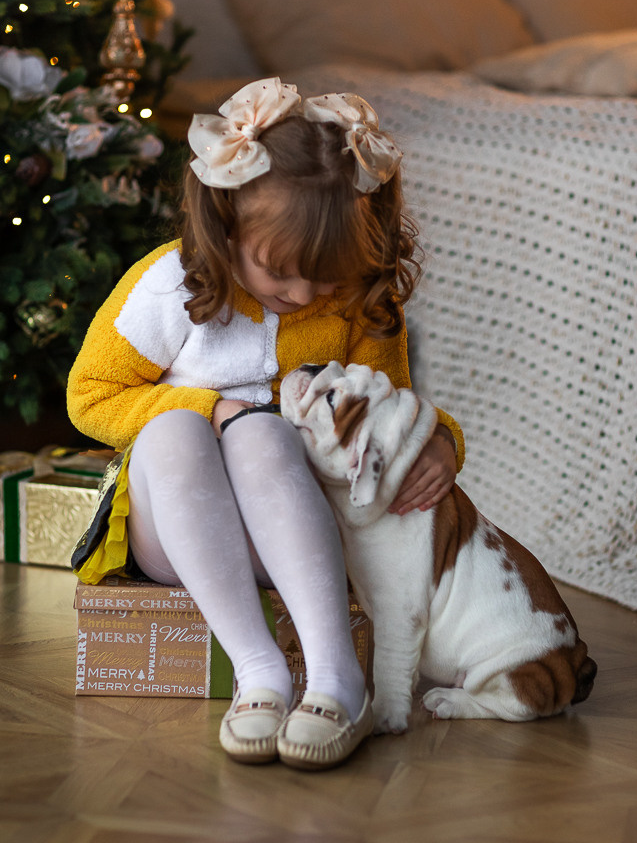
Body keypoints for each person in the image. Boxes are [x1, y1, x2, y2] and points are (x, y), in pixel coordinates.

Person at [67, 77, 465, 771]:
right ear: (225, 228)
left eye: (328, 278)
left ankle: (335, 678)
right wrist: (206, 407)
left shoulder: (362, 304)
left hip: (308, 533)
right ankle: (259, 671)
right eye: (280, 270)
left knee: (262, 432)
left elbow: (388, 404)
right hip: (180, 534)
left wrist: (439, 441)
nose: (304, 294)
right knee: (187, 428)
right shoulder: (168, 285)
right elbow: (90, 397)